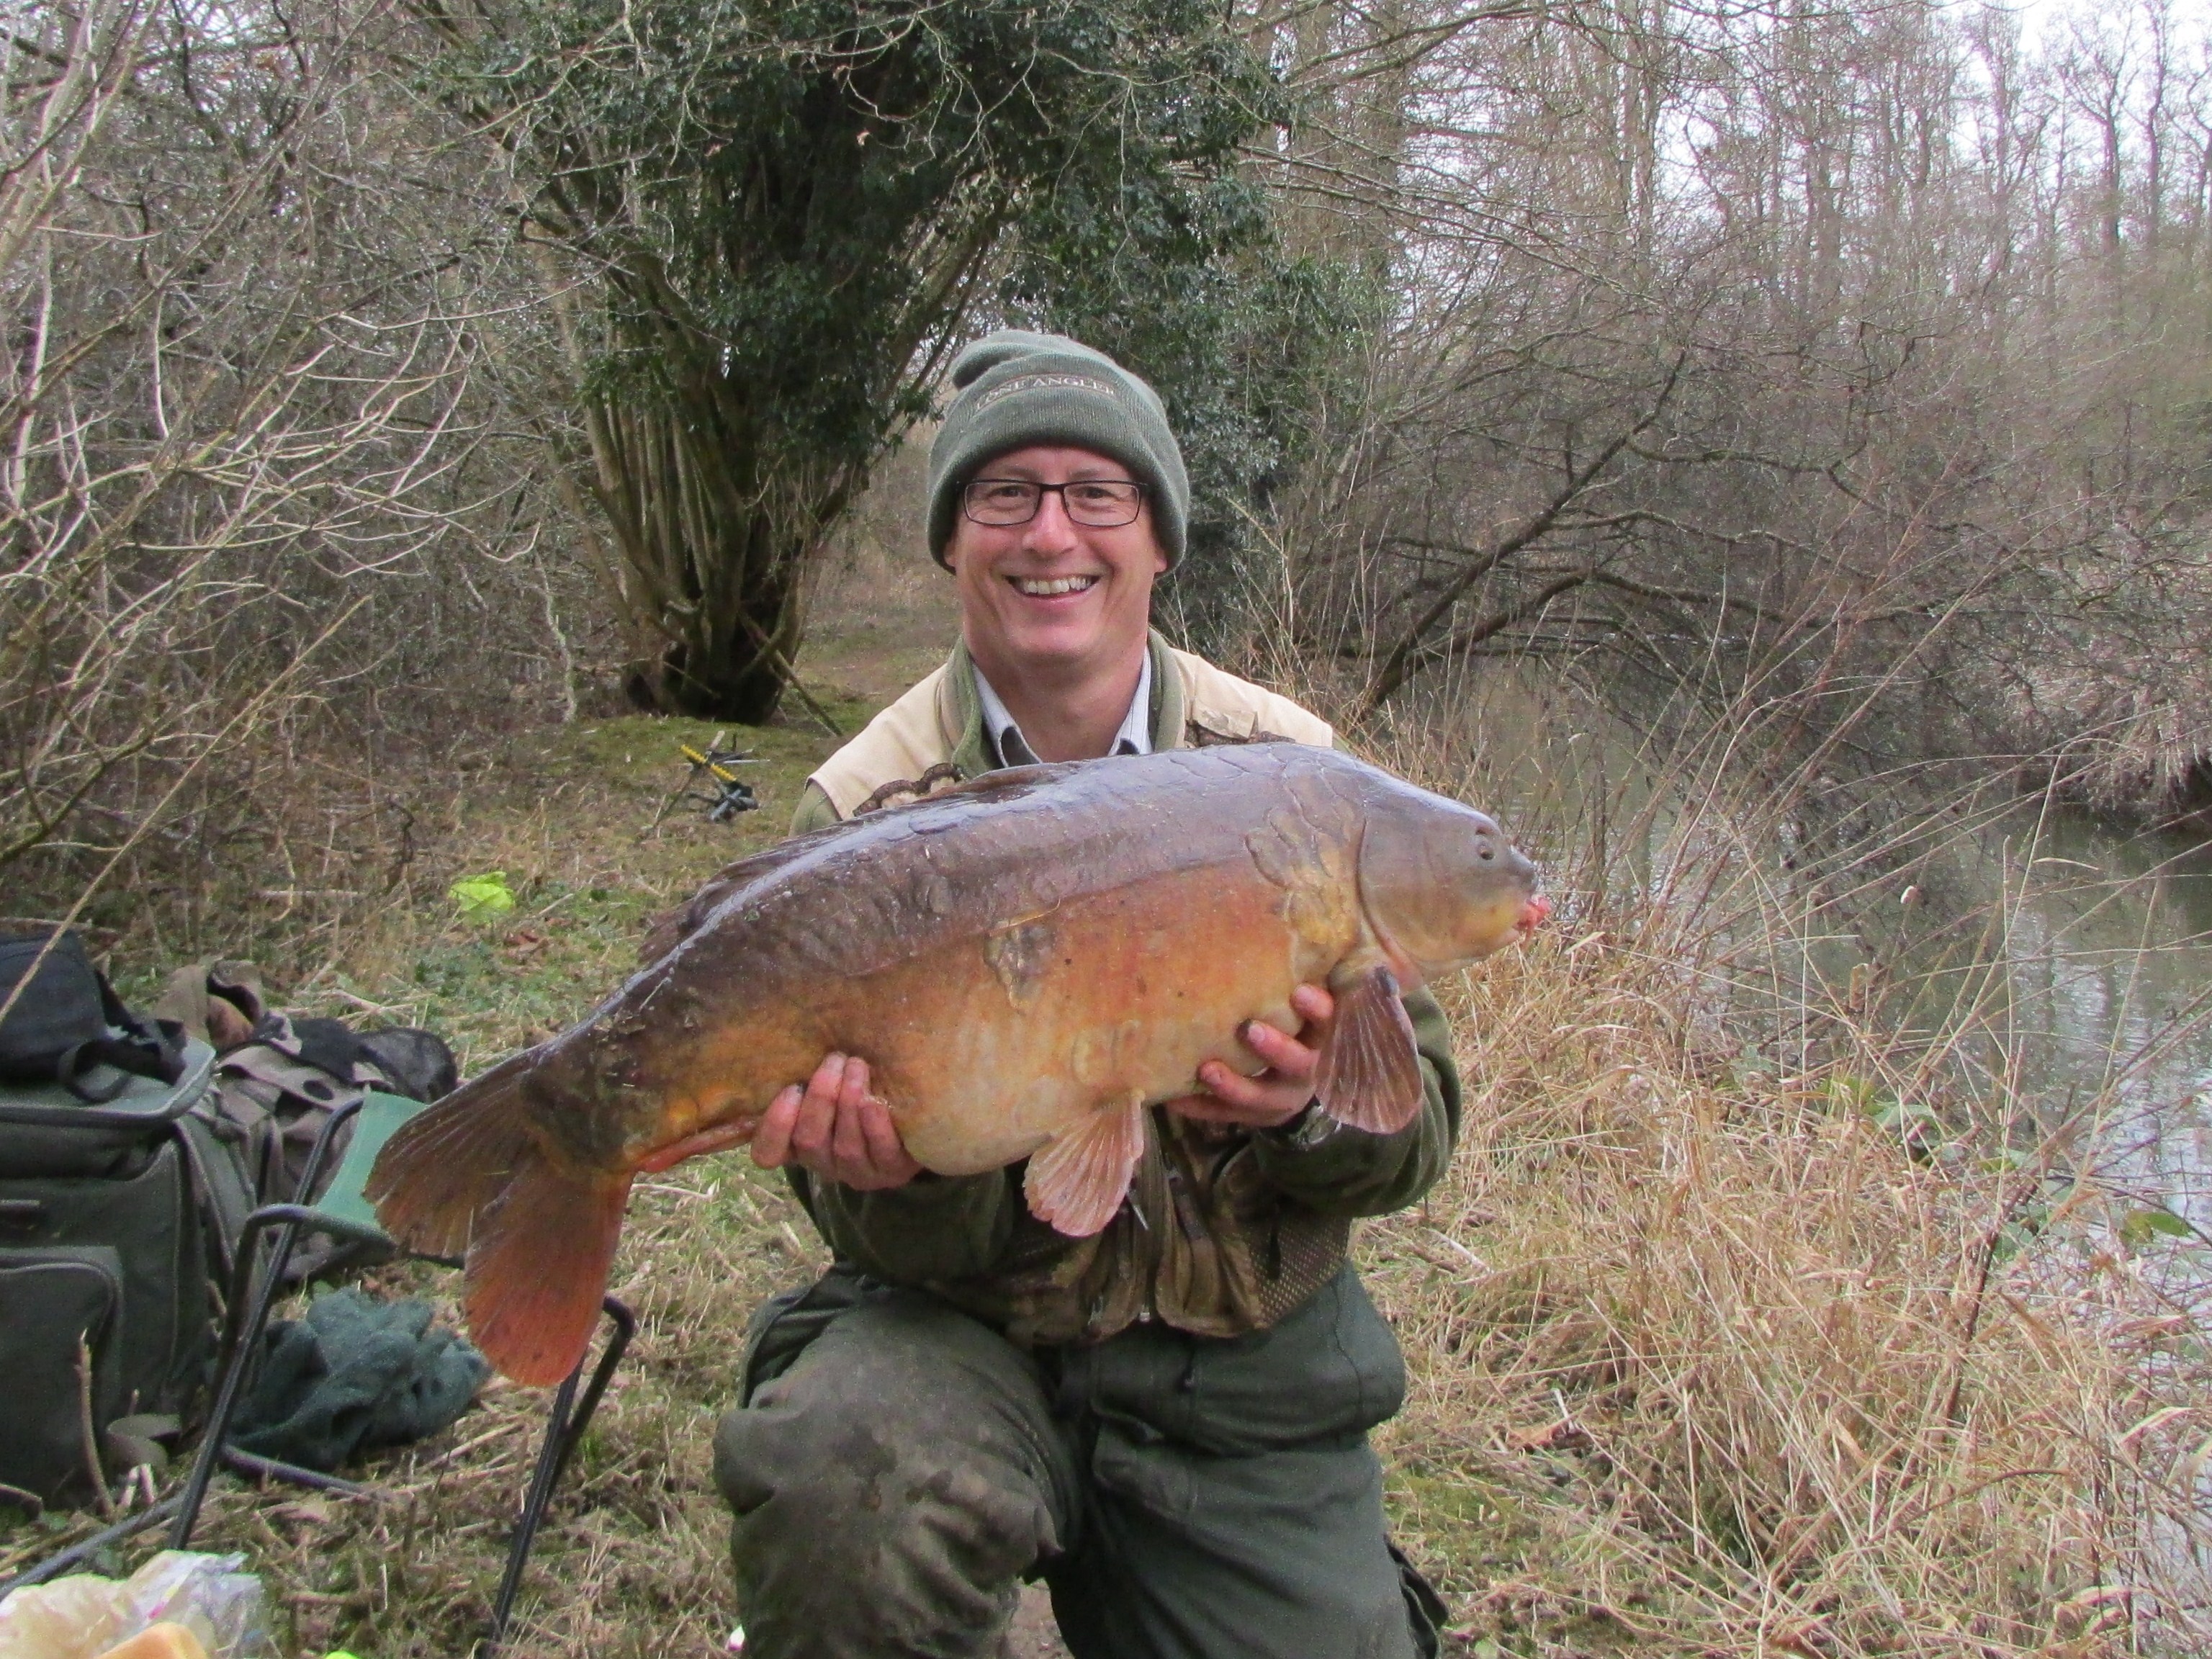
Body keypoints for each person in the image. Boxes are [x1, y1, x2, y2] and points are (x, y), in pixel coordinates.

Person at [711, 332, 1462, 1659]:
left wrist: (1306, 1110)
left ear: (1159, 538)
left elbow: (1419, 1139)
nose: (1051, 534)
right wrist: (902, 1177)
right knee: (843, 1487)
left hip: (1233, 1373)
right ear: (953, 540)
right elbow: (868, 1232)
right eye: (1005, 493)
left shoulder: (1297, 777)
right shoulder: (862, 809)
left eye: (1096, 494)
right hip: (957, 1335)